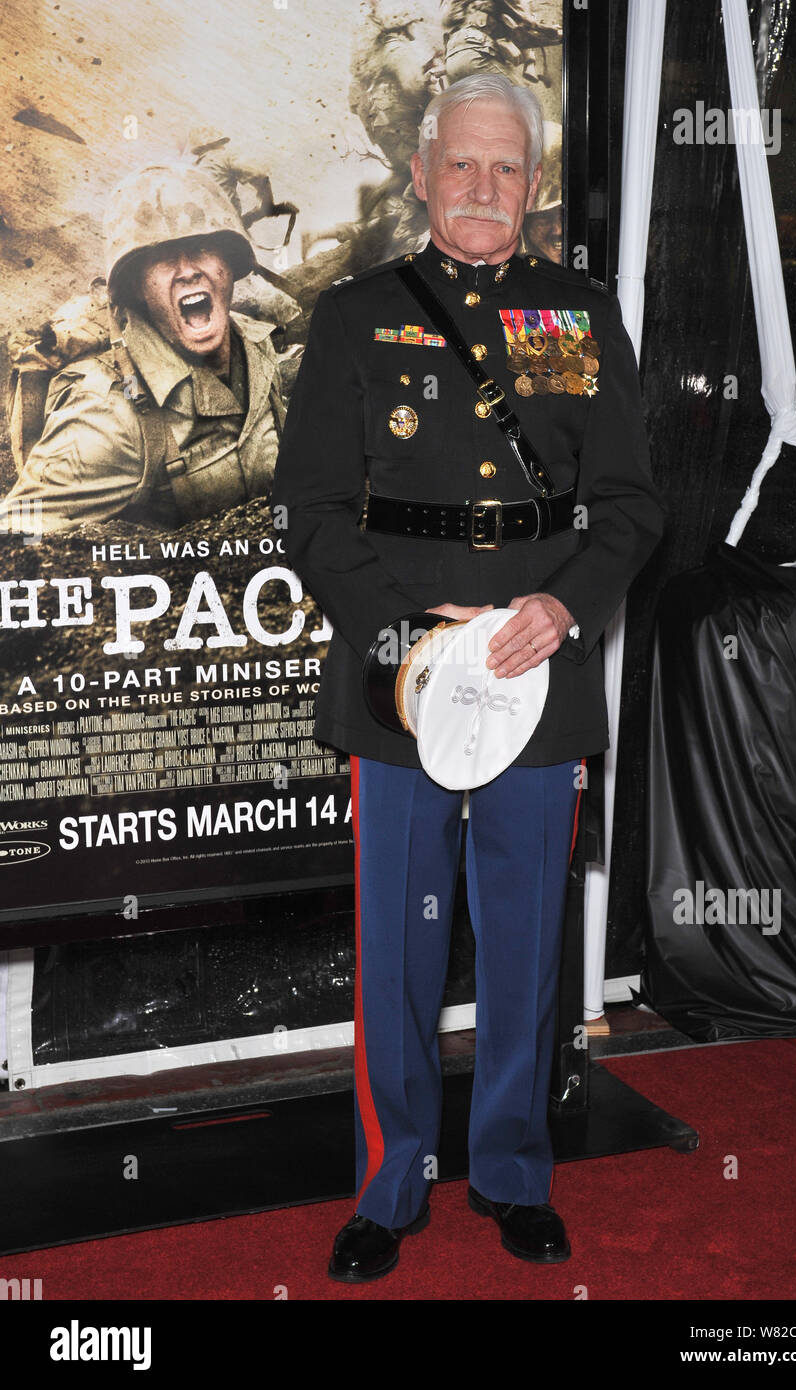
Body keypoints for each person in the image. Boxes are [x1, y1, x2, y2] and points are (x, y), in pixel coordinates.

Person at [272, 72, 665, 1281]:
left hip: (532, 673)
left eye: (507, 168)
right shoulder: (354, 315)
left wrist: (559, 608)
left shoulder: (582, 312)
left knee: (524, 940)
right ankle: (388, 1187)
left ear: (533, 185)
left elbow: (634, 505)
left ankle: (510, 1170)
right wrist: (404, 635)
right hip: (401, 676)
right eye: (463, 164)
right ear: (422, 175)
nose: (484, 187)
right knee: (394, 946)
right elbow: (314, 506)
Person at [2, 164, 283, 532]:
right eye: (165, 257)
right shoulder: (108, 414)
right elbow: (15, 536)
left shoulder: (257, 345)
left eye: (201, 247)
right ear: (137, 288)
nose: (187, 271)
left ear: (229, 263)